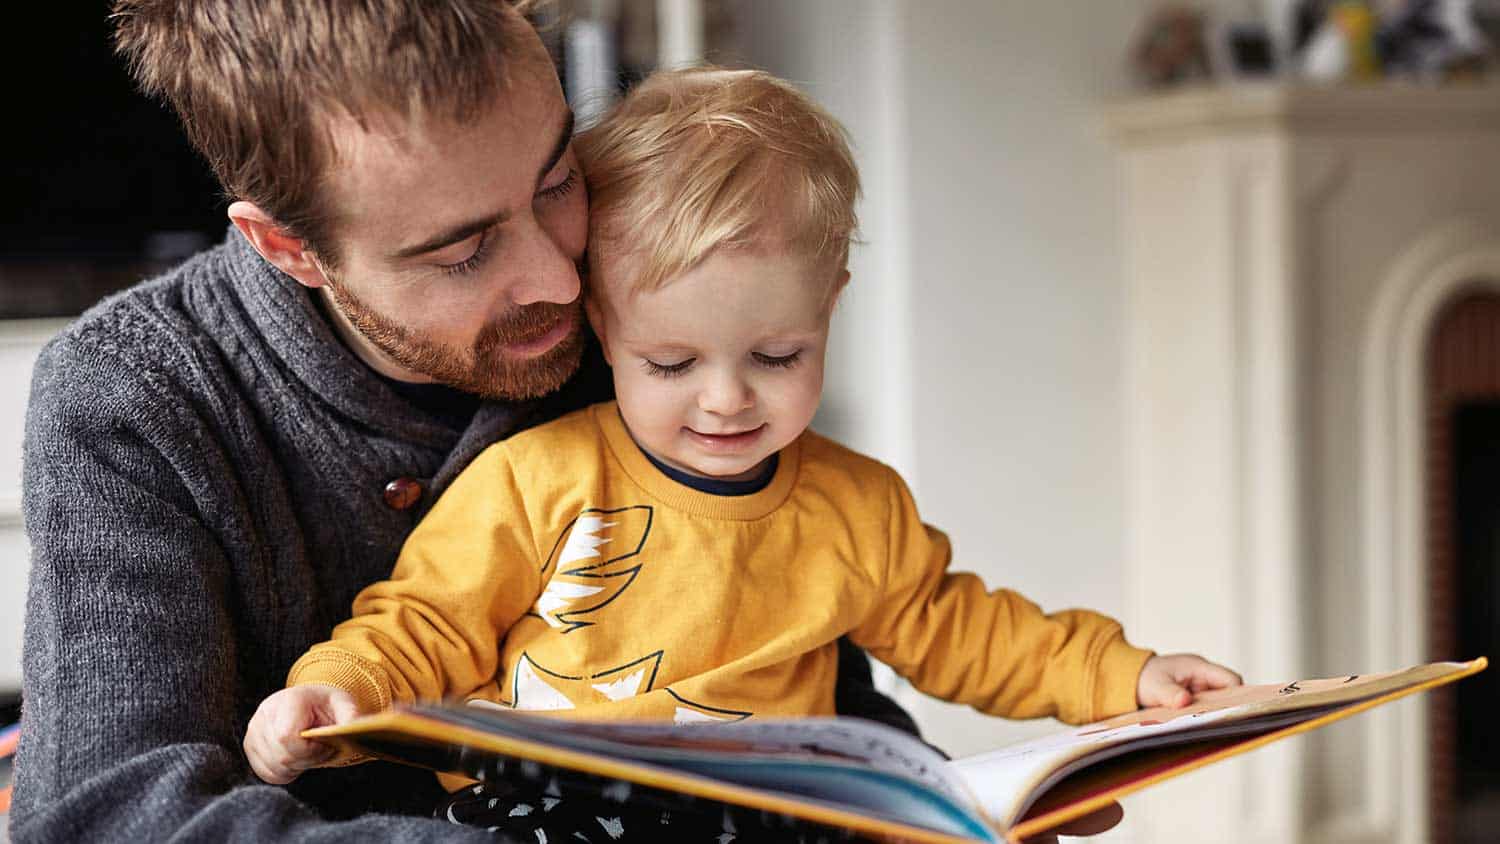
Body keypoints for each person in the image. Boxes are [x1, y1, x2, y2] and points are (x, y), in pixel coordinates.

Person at [245, 67, 1243, 841]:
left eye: (779, 355)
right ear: (600, 320)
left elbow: (964, 629)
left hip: (779, 813)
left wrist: (1131, 676)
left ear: (830, 307)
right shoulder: (537, 478)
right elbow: (426, 624)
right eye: (671, 361)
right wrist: (339, 689)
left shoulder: (857, 506)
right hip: (559, 811)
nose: (726, 399)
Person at [9, 3, 916, 841]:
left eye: (559, 178)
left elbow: (816, 677)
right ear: (290, 249)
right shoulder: (135, 395)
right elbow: (112, 817)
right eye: (464, 250)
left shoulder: (649, 321)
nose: (564, 280)